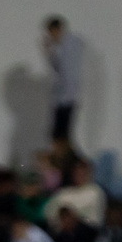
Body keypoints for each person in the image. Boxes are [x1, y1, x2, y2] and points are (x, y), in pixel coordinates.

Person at [42, 16, 84, 148]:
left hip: (66, 98)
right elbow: (58, 69)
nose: (51, 36)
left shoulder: (71, 46)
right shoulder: (62, 46)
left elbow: (68, 74)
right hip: (63, 97)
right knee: (59, 134)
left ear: (57, 29)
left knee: (60, 135)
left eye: (51, 32)